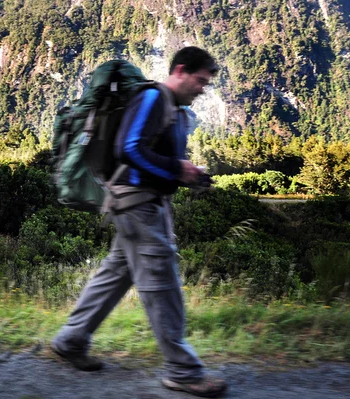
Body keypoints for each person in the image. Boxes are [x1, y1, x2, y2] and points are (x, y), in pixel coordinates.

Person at [51, 47, 227, 398]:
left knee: (116, 274)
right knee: (161, 283)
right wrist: (178, 168)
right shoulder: (153, 98)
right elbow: (128, 148)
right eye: (201, 81)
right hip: (137, 205)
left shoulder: (172, 109)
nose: (203, 89)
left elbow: (151, 154)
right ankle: (183, 370)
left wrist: (186, 172)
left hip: (146, 203)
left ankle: (70, 340)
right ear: (180, 70)